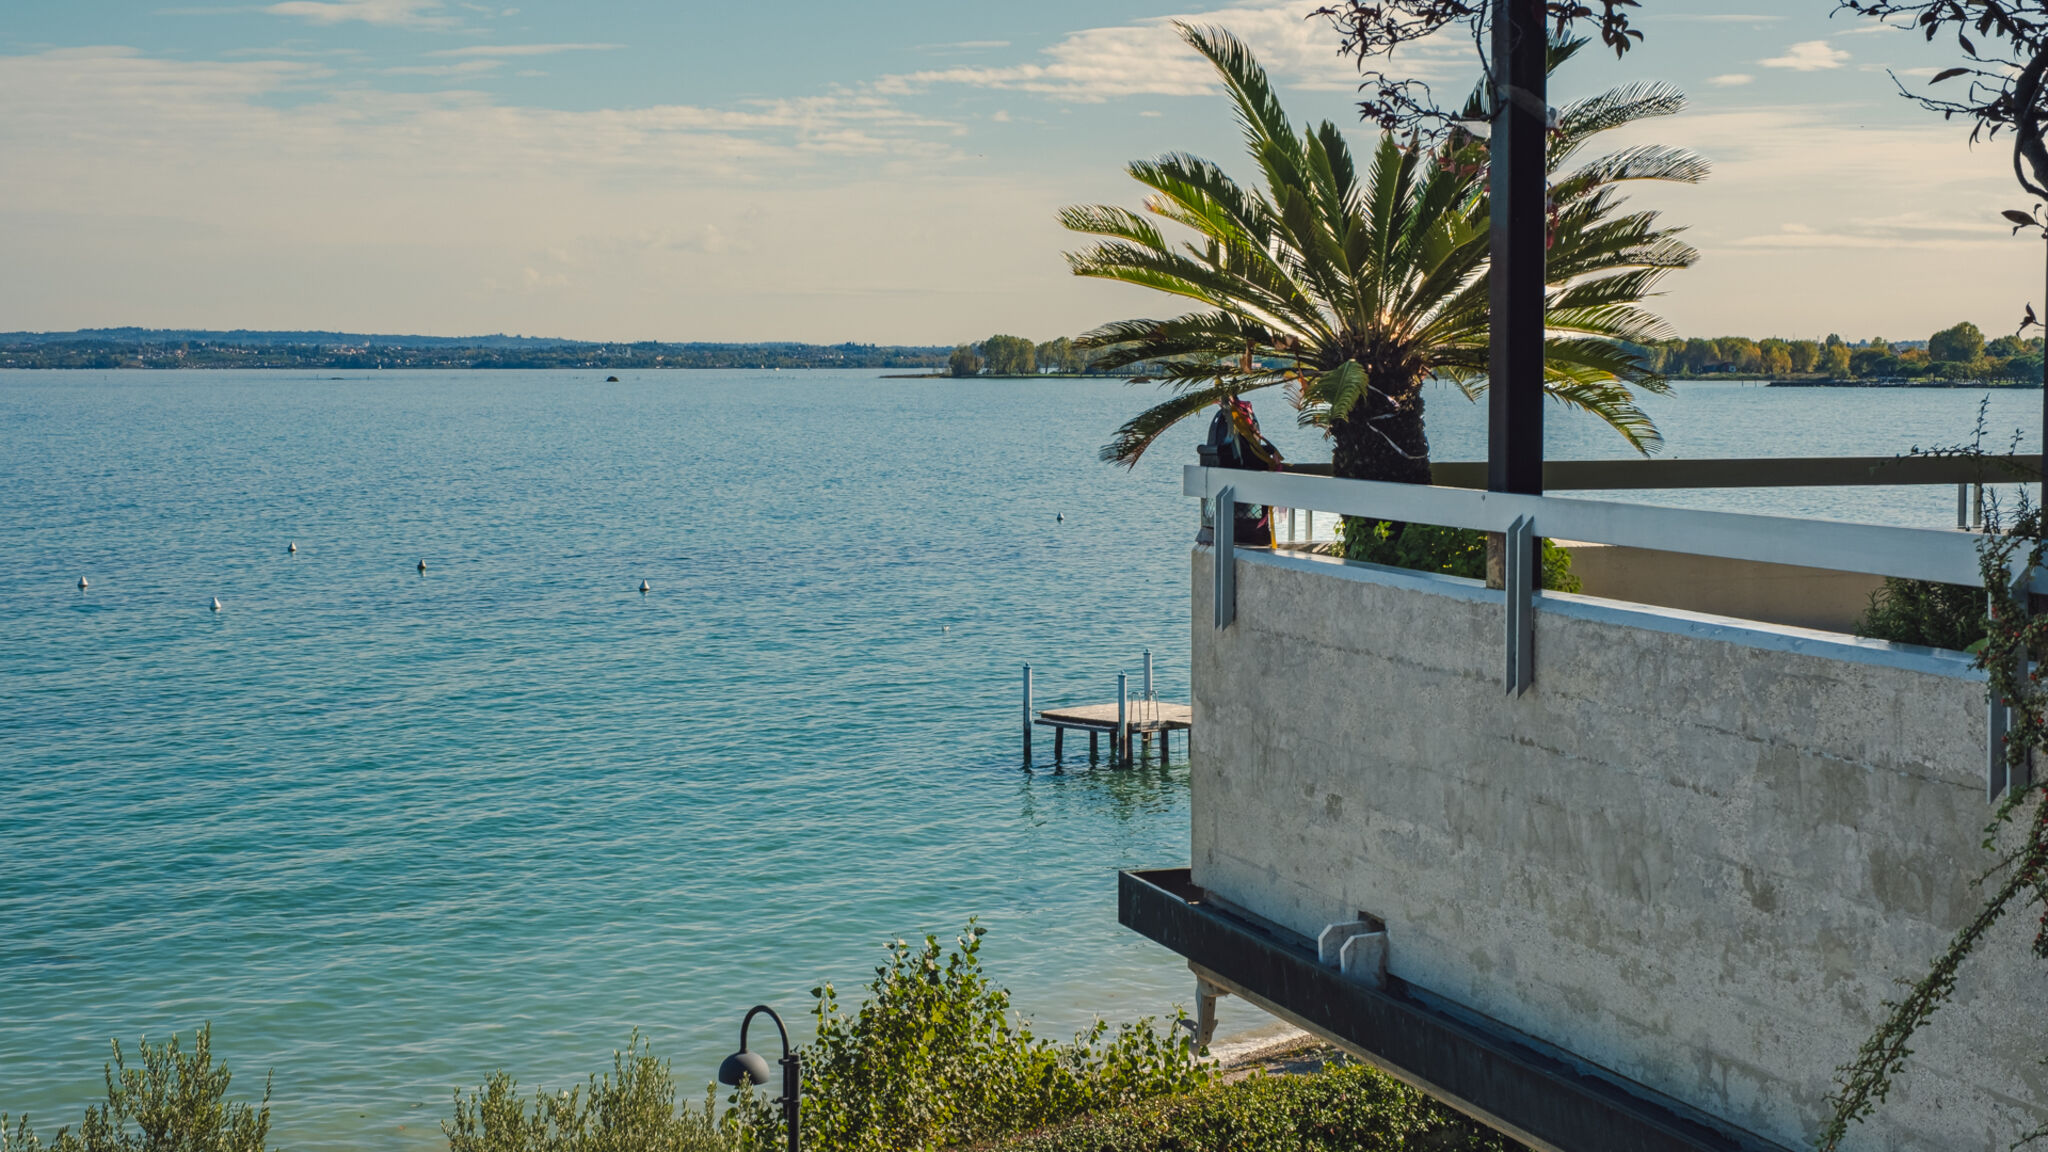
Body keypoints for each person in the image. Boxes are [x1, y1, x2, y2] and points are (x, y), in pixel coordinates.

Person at [1196, 396, 1283, 546]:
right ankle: (1252, 527)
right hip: (1243, 516)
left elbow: (1248, 453)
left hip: (1240, 519)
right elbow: (1249, 452)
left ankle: (1245, 526)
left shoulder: (1239, 437)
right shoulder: (1240, 437)